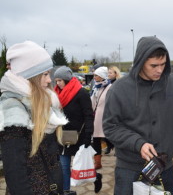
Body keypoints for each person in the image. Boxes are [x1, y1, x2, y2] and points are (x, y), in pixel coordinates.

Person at [102, 36, 173, 195]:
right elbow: (110, 127)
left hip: (164, 168)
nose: (159, 70)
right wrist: (138, 143)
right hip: (129, 169)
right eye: (153, 66)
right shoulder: (119, 89)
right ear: (141, 62)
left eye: (163, 64)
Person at [0, 41, 68, 195]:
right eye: (44, 74)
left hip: (50, 186)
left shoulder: (42, 101)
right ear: (29, 76)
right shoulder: (14, 110)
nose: (50, 80)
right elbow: (15, 172)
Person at [53, 66, 102, 194]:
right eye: (56, 81)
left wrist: (88, 134)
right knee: (64, 166)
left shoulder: (81, 94)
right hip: (62, 135)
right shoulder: (56, 94)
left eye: (60, 80)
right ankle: (66, 191)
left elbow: (88, 115)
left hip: (79, 135)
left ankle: (96, 177)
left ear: (67, 80)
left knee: (82, 164)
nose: (57, 83)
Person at [90, 66, 111, 169]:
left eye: (96, 75)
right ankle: (97, 162)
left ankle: (119, 152)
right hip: (97, 117)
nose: (94, 77)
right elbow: (93, 102)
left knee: (110, 137)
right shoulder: (96, 87)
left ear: (102, 76)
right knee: (96, 139)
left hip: (107, 116)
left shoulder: (110, 87)